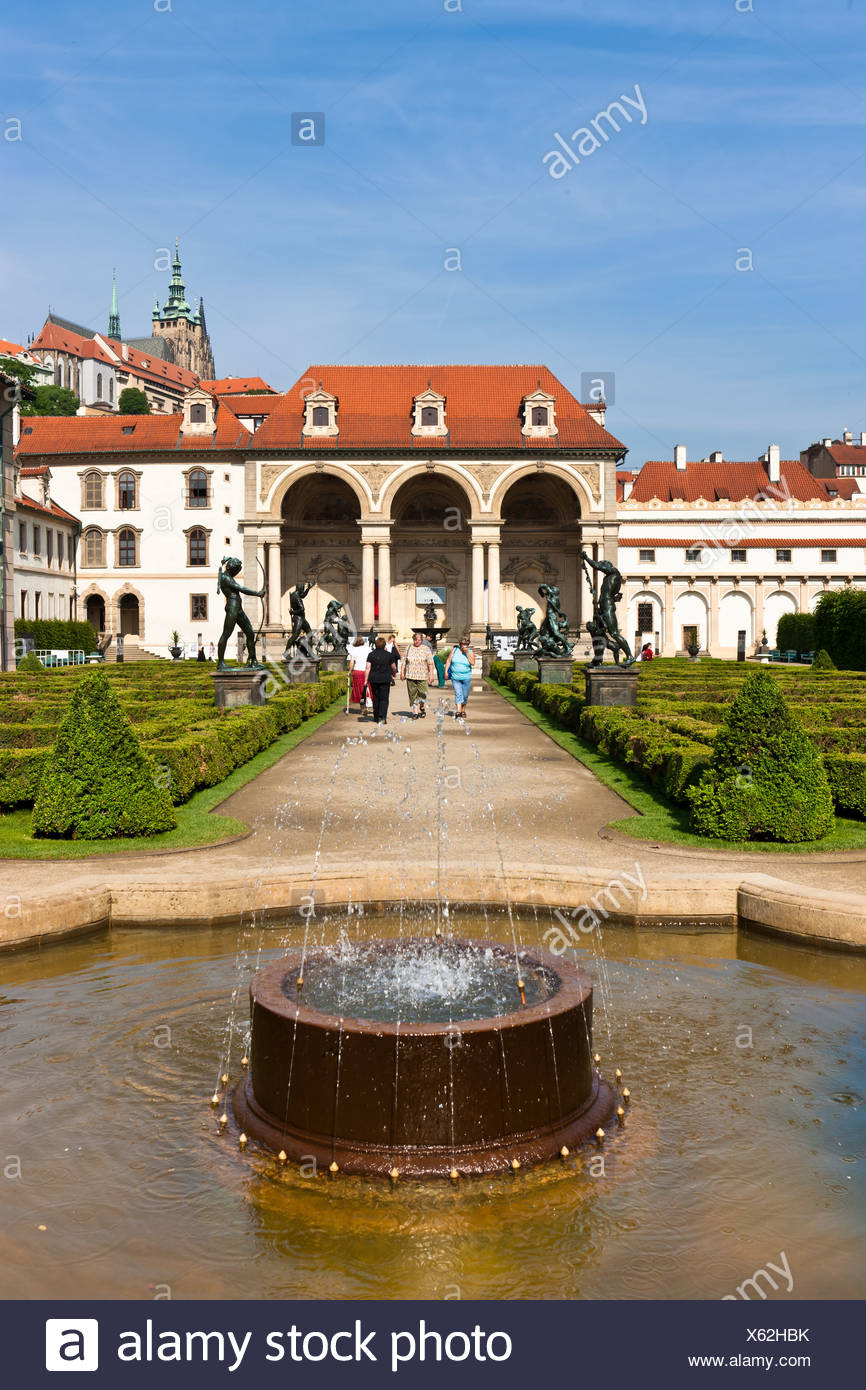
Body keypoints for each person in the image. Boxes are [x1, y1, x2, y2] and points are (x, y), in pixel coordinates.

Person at [401, 631, 436, 718]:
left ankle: (422, 706)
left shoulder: (426, 649)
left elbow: (430, 663)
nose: (417, 641)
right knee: (412, 694)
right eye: (416, 640)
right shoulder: (408, 648)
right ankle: (415, 712)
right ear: (413, 639)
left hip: (423, 676)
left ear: (422, 640)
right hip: (410, 675)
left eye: (419, 640)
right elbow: (403, 662)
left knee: (423, 694)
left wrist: (431, 674)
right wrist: (402, 672)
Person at [364, 636, 398, 725]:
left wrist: (366, 680)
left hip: (374, 679)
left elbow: (367, 668)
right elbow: (393, 667)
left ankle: (376, 716)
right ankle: (382, 717)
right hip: (385, 679)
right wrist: (394, 674)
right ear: (384, 645)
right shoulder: (389, 655)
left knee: (375, 698)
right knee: (384, 699)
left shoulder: (371, 654)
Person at [444, 636, 475, 720]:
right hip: (455, 677)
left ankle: (463, 710)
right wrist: (446, 671)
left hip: (466, 677)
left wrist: (467, 653)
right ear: (460, 644)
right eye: (463, 644)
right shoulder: (454, 650)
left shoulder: (470, 652)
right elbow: (448, 661)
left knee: (465, 696)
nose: (464, 646)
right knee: (458, 694)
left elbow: (472, 663)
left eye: (466, 644)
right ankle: (458, 711)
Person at [349, 634, 371, 708]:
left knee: (359, 689)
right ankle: (368, 704)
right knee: (367, 687)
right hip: (366, 671)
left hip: (357, 671)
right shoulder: (368, 649)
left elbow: (351, 662)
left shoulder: (354, 650)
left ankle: (362, 707)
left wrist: (349, 671)